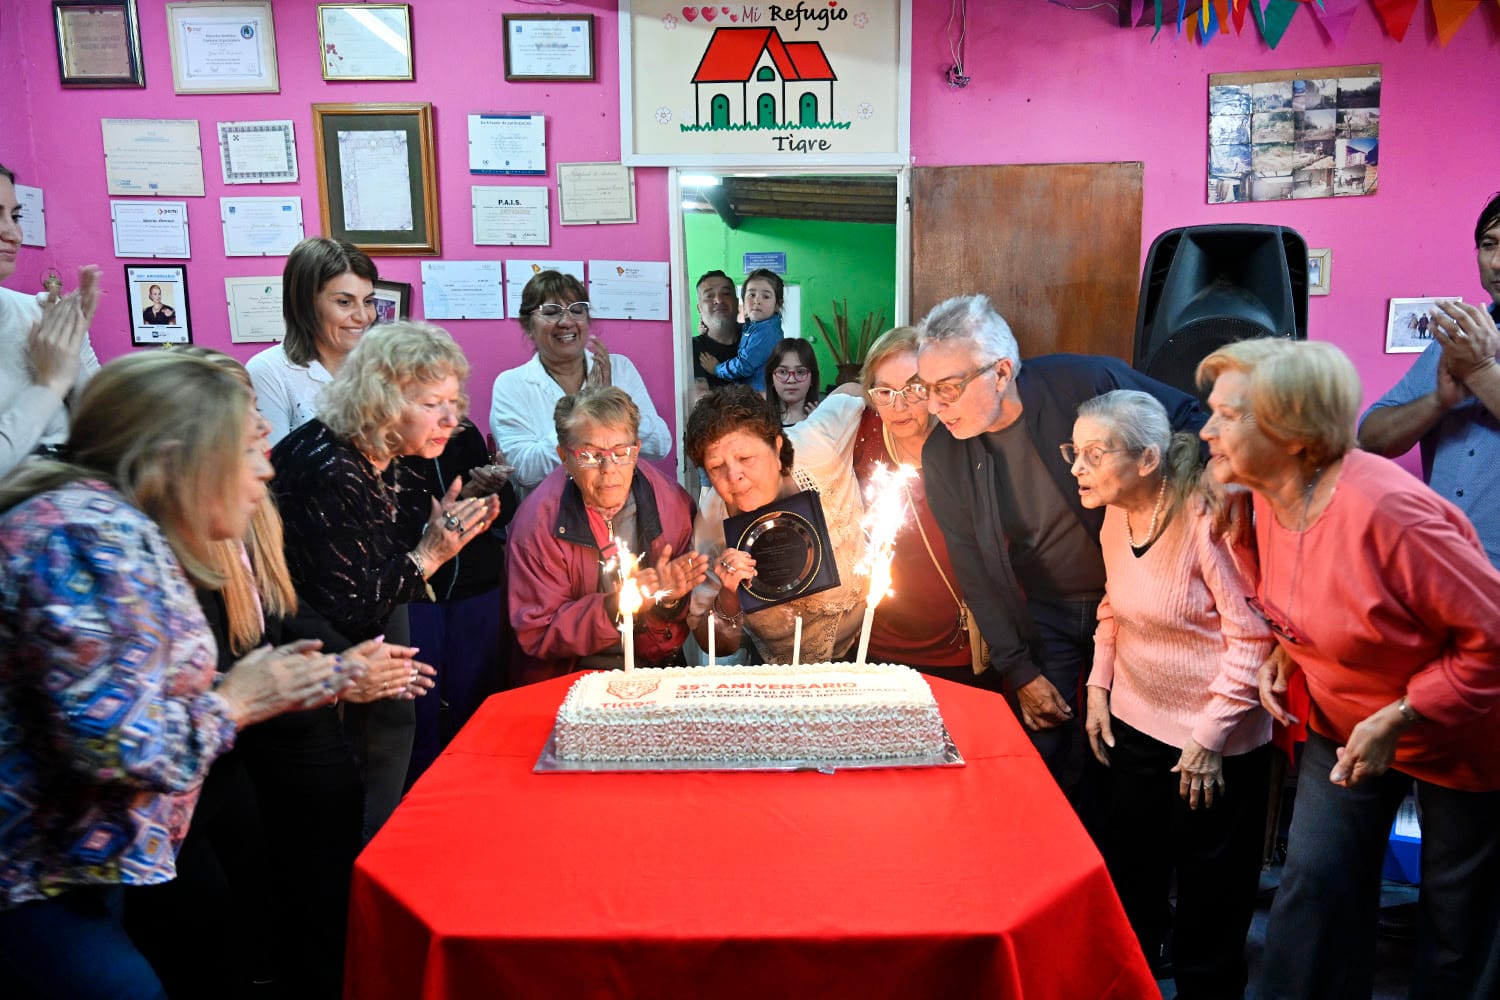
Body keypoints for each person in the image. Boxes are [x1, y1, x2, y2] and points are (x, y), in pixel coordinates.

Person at [0, 351, 355, 999]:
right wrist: (239, 700)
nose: (267, 468)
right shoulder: (91, 538)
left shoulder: (120, 526)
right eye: (248, 449)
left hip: (79, 873)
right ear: (174, 459)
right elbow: (112, 749)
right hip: (38, 880)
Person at [1197, 338, 1500, 1000]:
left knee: (1457, 922)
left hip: (1462, 733)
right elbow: (1320, 597)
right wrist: (1289, 647)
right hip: (1347, 718)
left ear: (1295, 432)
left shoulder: (1388, 511)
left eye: (1229, 416)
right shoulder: (1259, 498)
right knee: (1315, 888)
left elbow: (1492, 638)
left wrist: (1404, 713)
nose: (1206, 431)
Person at [121, 347, 427, 998]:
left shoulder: (248, 511)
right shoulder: (146, 550)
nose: (267, 439)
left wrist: (339, 666)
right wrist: (327, 677)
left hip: (225, 762)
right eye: (247, 423)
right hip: (170, 802)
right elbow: (202, 688)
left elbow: (284, 609)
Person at [915, 292, 1205, 805]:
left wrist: (1167, 518)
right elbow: (973, 568)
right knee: (1048, 749)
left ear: (1001, 372)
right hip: (1043, 609)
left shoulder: (1084, 384)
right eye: (926, 387)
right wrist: (1019, 668)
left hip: (1132, 602)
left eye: (948, 387)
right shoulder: (943, 452)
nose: (933, 406)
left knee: (1128, 751)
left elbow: (1189, 419)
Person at [1071, 389, 1274, 996]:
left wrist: (1208, 738)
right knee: (1133, 876)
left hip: (1212, 742)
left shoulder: (1206, 517)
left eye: (1092, 454)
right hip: (1133, 725)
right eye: (1073, 451)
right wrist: (1098, 688)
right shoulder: (1113, 512)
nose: (1076, 468)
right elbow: (1114, 609)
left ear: (1147, 459)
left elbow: (1253, 639)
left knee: (1211, 901)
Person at [273, 321, 499, 840]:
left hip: (349, 626)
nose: (452, 418)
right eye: (430, 404)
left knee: (397, 726)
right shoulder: (335, 467)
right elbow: (351, 605)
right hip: (306, 644)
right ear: (380, 400)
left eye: (453, 400)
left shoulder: (390, 453)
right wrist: (431, 554)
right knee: (348, 786)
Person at [508, 387, 704, 684]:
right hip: (570, 677)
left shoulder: (673, 508)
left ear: (636, 450)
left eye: (621, 452)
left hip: (652, 670)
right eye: (589, 455)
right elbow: (538, 632)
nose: (608, 468)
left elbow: (680, 627)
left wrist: (667, 600)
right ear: (564, 457)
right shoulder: (536, 526)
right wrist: (617, 606)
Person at [1359, 191, 1500, 569]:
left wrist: (1482, 371)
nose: (1497, 262)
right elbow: (1370, 438)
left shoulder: (1470, 351)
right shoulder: (1460, 336)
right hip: (1442, 565)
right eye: (1489, 244)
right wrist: (1438, 401)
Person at [685, 384, 868, 665]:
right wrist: (729, 594)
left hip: (866, 652)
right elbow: (713, 644)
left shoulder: (817, 445)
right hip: (777, 674)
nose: (734, 475)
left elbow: (857, 389)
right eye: (716, 467)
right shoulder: (712, 523)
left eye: (746, 458)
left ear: (778, 446)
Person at [847, 326, 980, 680]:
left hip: (960, 651)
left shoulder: (968, 444)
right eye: (885, 392)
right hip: (877, 647)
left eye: (913, 388)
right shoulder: (862, 437)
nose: (899, 405)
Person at [401, 417, 519, 783]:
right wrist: (462, 498)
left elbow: (506, 510)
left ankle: (478, 793)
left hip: (476, 589)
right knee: (418, 717)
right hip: (414, 592)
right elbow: (393, 527)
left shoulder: (464, 433)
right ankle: (420, 802)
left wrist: (491, 489)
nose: (446, 411)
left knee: (478, 707)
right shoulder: (385, 441)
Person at [489, 270, 671, 498]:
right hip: (547, 521)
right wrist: (591, 405)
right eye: (551, 312)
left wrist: (615, 406)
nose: (566, 322)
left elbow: (660, 446)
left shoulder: (619, 368)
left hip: (621, 514)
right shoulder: (511, 385)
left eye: (576, 310)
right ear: (527, 326)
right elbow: (525, 471)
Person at [0, 162, 101, 476]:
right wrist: (49, 385)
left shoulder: (36, 311)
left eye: (15, 217)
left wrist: (74, 342)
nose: (13, 234)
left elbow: (106, 429)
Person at [247, 236, 379, 445]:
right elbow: (272, 469)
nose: (363, 316)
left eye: (368, 301)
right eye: (345, 302)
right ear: (306, 304)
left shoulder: (382, 366)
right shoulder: (268, 371)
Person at [701, 267, 783, 393]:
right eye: (751, 295)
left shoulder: (767, 332)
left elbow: (744, 365)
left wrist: (717, 369)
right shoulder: (755, 327)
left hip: (758, 400)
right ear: (743, 301)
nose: (757, 301)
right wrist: (709, 327)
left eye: (766, 296)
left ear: (777, 305)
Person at [692, 269, 742, 395]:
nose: (718, 300)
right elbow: (700, 396)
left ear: (736, 303)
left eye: (725, 293)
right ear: (699, 308)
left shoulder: (755, 340)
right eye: (709, 296)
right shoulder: (692, 348)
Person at [766, 337, 821, 427]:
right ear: (771, 378)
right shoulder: (759, 423)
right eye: (782, 372)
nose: (791, 380)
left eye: (800, 372)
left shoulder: (822, 423)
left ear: (812, 378)